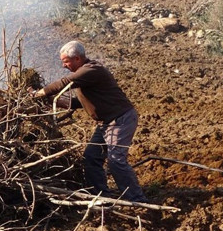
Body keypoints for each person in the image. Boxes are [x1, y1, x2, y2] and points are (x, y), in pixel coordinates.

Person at [30, 40, 148, 203]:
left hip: (120, 120)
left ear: (77, 58)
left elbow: (64, 83)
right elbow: (80, 102)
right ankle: (102, 197)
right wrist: (52, 101)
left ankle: (137, 200)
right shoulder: (84, 76)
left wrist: (39, 93)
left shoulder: (91, 70)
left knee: (116, 161)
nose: (64, 66)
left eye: (66, 61)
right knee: (91, 157)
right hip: (105, 123)